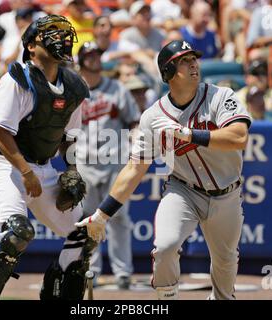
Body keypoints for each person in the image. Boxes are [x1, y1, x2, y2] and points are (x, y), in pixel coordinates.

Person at [76, 39, 252, 300]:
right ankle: (166, 300)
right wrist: (103, 214)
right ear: (168, 72)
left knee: (225, 265)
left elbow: (239, 137)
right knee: (165, 246)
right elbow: (136, 167)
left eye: (194, 58)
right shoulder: (153, 116)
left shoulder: (220, 96)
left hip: (227, 192)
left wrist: (188, 134)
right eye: (184, 60)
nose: (193, 63)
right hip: (184, 190)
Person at [0, 14, 96, 301]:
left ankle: (56, 293)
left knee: (86, 234)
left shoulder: (73, 87)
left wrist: (71, 171)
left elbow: (70, 137)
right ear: (31, 45)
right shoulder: (16, 78)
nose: (60, 38)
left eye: (63, 32)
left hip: (43, 166)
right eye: (50, 32)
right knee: (17, 232)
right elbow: (0, 132)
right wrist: (26, 173)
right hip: (7, 163)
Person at [76, 41, 141, 289]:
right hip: (84, 161)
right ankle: (90, 270)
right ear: (81, 60)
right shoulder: (74, 90)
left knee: (118, 216)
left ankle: (123, 272)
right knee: (87, 218)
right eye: (90, 55)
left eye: (98, 54)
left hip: (114, 160)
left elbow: (134, 121)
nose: (95, 59)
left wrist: (135, 147)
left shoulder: (117, 88)